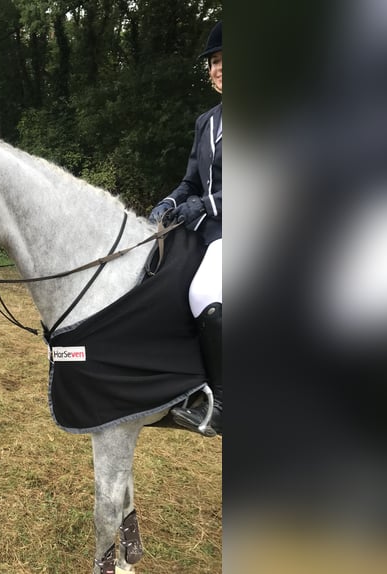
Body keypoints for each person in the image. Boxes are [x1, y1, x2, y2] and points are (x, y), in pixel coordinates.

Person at [149, 20, 222, 436]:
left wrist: (203, 204)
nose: (218, 68)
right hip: (206, 228)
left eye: (227, 61)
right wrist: (170, 201)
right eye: (214, 62)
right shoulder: (207, 121)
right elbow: (191, 180)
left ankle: (224, 399)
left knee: (204, 291)